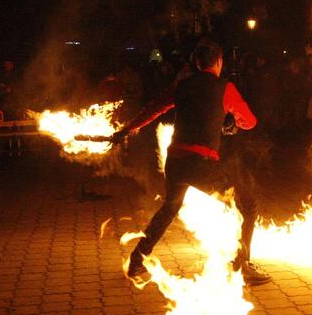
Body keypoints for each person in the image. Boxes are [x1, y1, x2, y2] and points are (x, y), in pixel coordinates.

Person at [112, 39, 271, 285]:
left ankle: (136, 261)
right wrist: (233, 121)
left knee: (169, 209)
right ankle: (243, 266)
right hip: (202, 165)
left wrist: (126, 130)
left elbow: (152, 110)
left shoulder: (181, 86)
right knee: (248, 205)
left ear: (196, 63)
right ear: (219, 62)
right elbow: (250, 121)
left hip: (176, 162)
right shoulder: (224, 88)